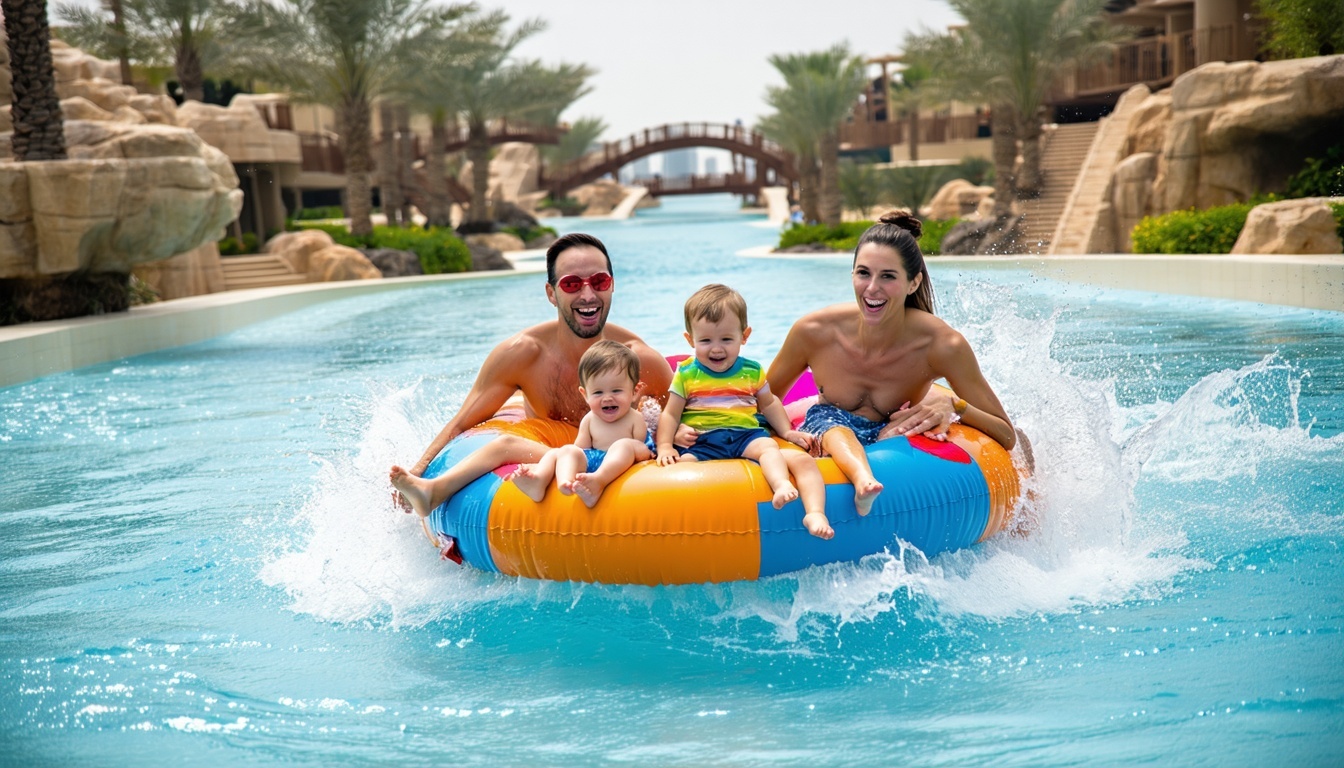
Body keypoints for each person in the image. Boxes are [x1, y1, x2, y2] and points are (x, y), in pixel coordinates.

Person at [389, 233, 672, 516]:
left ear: (612, 287)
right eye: (572, 284)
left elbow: (678, 420)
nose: (588, 295)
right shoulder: (522, 355)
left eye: (599, 282)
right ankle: (433, 491)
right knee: (505, 445)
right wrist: (418, 471)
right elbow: (462, 424)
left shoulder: (640, 360)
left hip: (619, 463)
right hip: (552, 456)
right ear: (551, 293)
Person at [765, 210, 1015, 518]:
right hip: (827, 433)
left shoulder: (941, 345)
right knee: (833, 427)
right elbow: (762, 402)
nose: (872, 289)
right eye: (863, 273)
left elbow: (1006, 434)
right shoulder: (814, 332)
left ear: (913, 283)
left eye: (888, 276)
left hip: (892, 442)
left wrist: (955, 406)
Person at [656, 284, 833, 539]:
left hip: (744, 434)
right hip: (702, 441)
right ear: (690, 340)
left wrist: (787, 432)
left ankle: (781, 484)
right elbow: (671, 414)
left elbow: (769, 403)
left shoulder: (751, 371)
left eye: (726, 339)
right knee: (683, 468)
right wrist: (664, 446)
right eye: (705, 341)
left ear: (744, 335)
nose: (716, 348)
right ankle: (693, 527)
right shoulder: (686, 373)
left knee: (768, 449)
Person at [504, 341, 654, 508]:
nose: (607, 398)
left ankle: (599, 482)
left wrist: (636, 450)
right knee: (565, 450)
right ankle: (553, 481)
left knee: (624, 445)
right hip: (595, 460)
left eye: (616, 390)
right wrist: (568, 459)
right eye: (598, 392)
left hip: (621, 462)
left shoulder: (635, 418)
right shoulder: (589, 420)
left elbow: (643, 451)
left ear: (634, 392)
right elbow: (580, 451)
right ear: (585, 394)